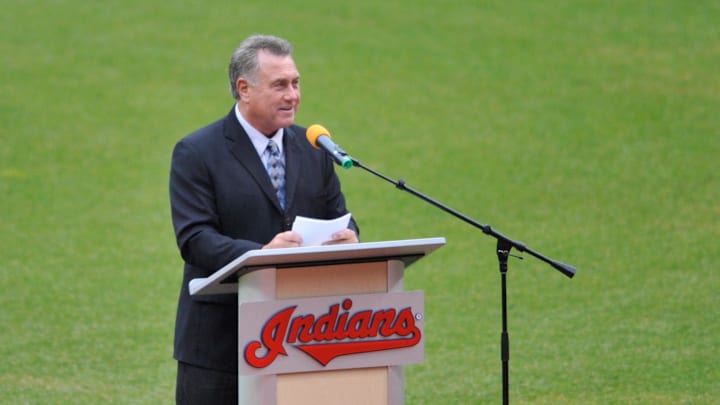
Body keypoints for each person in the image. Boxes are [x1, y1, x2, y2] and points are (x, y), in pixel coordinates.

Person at [169, 34, 359, 404]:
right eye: (280, 86)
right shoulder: (197, 152)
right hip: (220, 346)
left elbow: (341, 218)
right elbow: (194, 239)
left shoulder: (314, 147)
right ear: (244, 89)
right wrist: (259, 253)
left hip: (301, 337)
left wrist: (349, 236)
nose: (293, 95)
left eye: (296, 83)